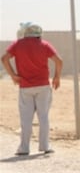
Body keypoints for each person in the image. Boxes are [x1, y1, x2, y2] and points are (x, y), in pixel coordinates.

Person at [1, 23, 63, 156]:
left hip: (25, 86)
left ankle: (24, 148)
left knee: (26, 119)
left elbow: (4, 59)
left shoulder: (18, 44)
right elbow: (59, 61)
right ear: (39, 34)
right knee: (44, 117)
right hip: (43, 86)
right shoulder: (44, 45)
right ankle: (45, 146)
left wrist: (13, 75)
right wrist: (57, 77)